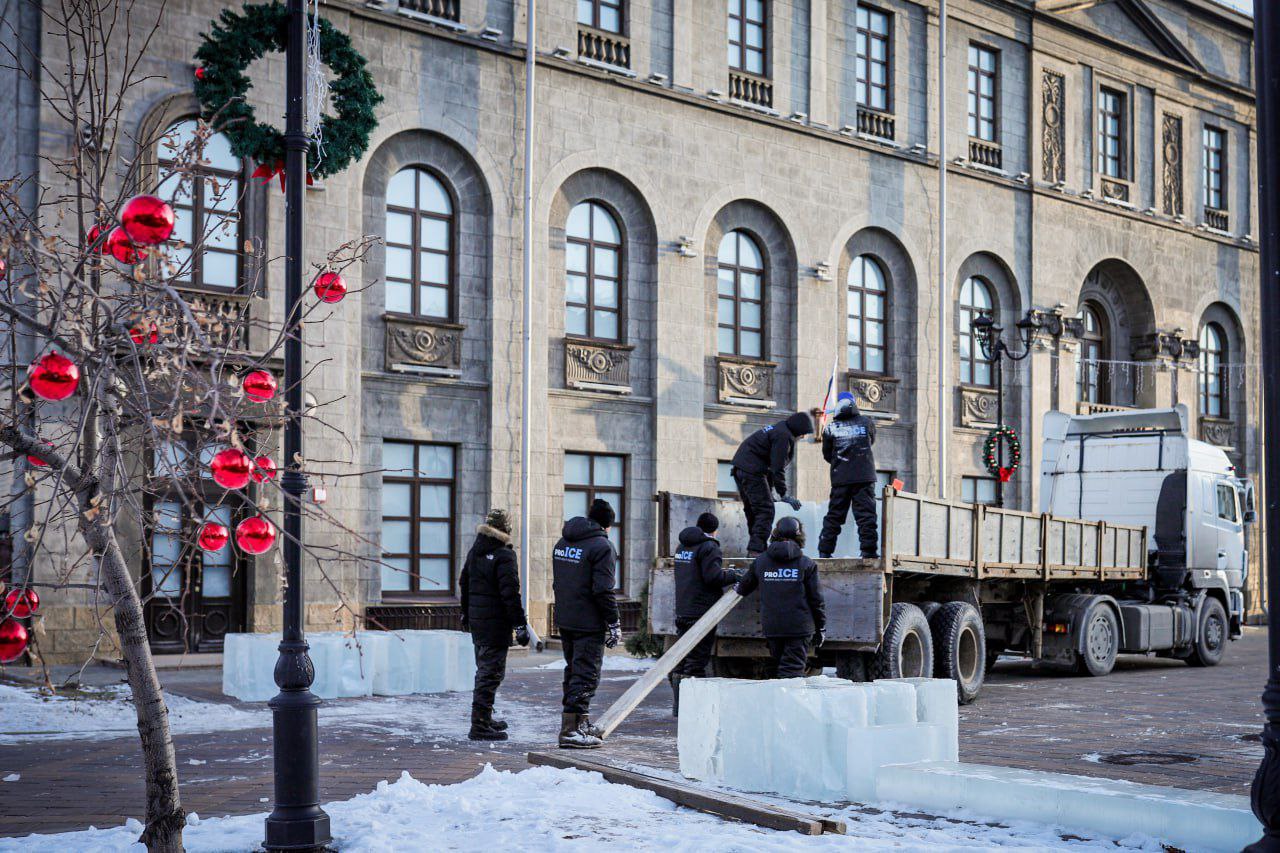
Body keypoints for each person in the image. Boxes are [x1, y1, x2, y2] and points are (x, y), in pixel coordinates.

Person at [552, 498, 621, 749]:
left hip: (566, 618)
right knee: (586, 674)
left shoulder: (564, 542)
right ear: (607, 525)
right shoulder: (602, 546)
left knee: (573, 671)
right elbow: (603, 590)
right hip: (588, 622)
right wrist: (613, 622)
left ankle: (578, 723)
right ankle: (571, 731)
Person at [459, 508, 530, 741]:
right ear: (505, 529)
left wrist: (466, 615)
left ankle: (485, 718)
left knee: (485, 671)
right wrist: (520, 626)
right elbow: (510, 594)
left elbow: (464, 583)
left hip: (478, 624)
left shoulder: (475, 551)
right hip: (494, 626)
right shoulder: (504, 555)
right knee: (490, 675)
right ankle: (479, 726)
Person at [734, 516, 826, 679]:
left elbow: (743, 588)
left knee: (778, 668)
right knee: (792, 671)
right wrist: (821, 627)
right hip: (799, 628)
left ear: (774, 534)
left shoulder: (761, 562)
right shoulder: (806, 564)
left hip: (773, 627)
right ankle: (790, 702)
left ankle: (779, 701)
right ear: (800, 536)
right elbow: (816, 599)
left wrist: (734, 579)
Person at [669, 511, 740, 716]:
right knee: (697, 661)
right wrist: (733, 575)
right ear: (714, 530)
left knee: (683, 658)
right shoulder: (709, 547)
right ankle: (693, 709)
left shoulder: (682, 546)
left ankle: (679, 706)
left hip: (683, 608)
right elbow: (713, 577)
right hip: (702, 611)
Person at [731, 410, 817, 556]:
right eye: (803, 433)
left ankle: (755, 548)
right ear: (798, 429)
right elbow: (778, 467)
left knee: (754, 510)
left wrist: (770, 493)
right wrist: (784, 494)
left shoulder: (779, 428)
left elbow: (770, 468)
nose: (802, 437)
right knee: (765, 510)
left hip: (742, 468)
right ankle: (756, 551)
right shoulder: (784, 436)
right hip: (752, 470)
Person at [818, 392, 880, 559]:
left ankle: (825, 552)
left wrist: (841, 463)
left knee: (834, 516)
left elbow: (827, 454)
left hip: (841, 479)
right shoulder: (867, 422)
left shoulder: (831, 427)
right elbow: (870, 441)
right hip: (864, 477)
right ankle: (868, 552)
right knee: (866, 516)